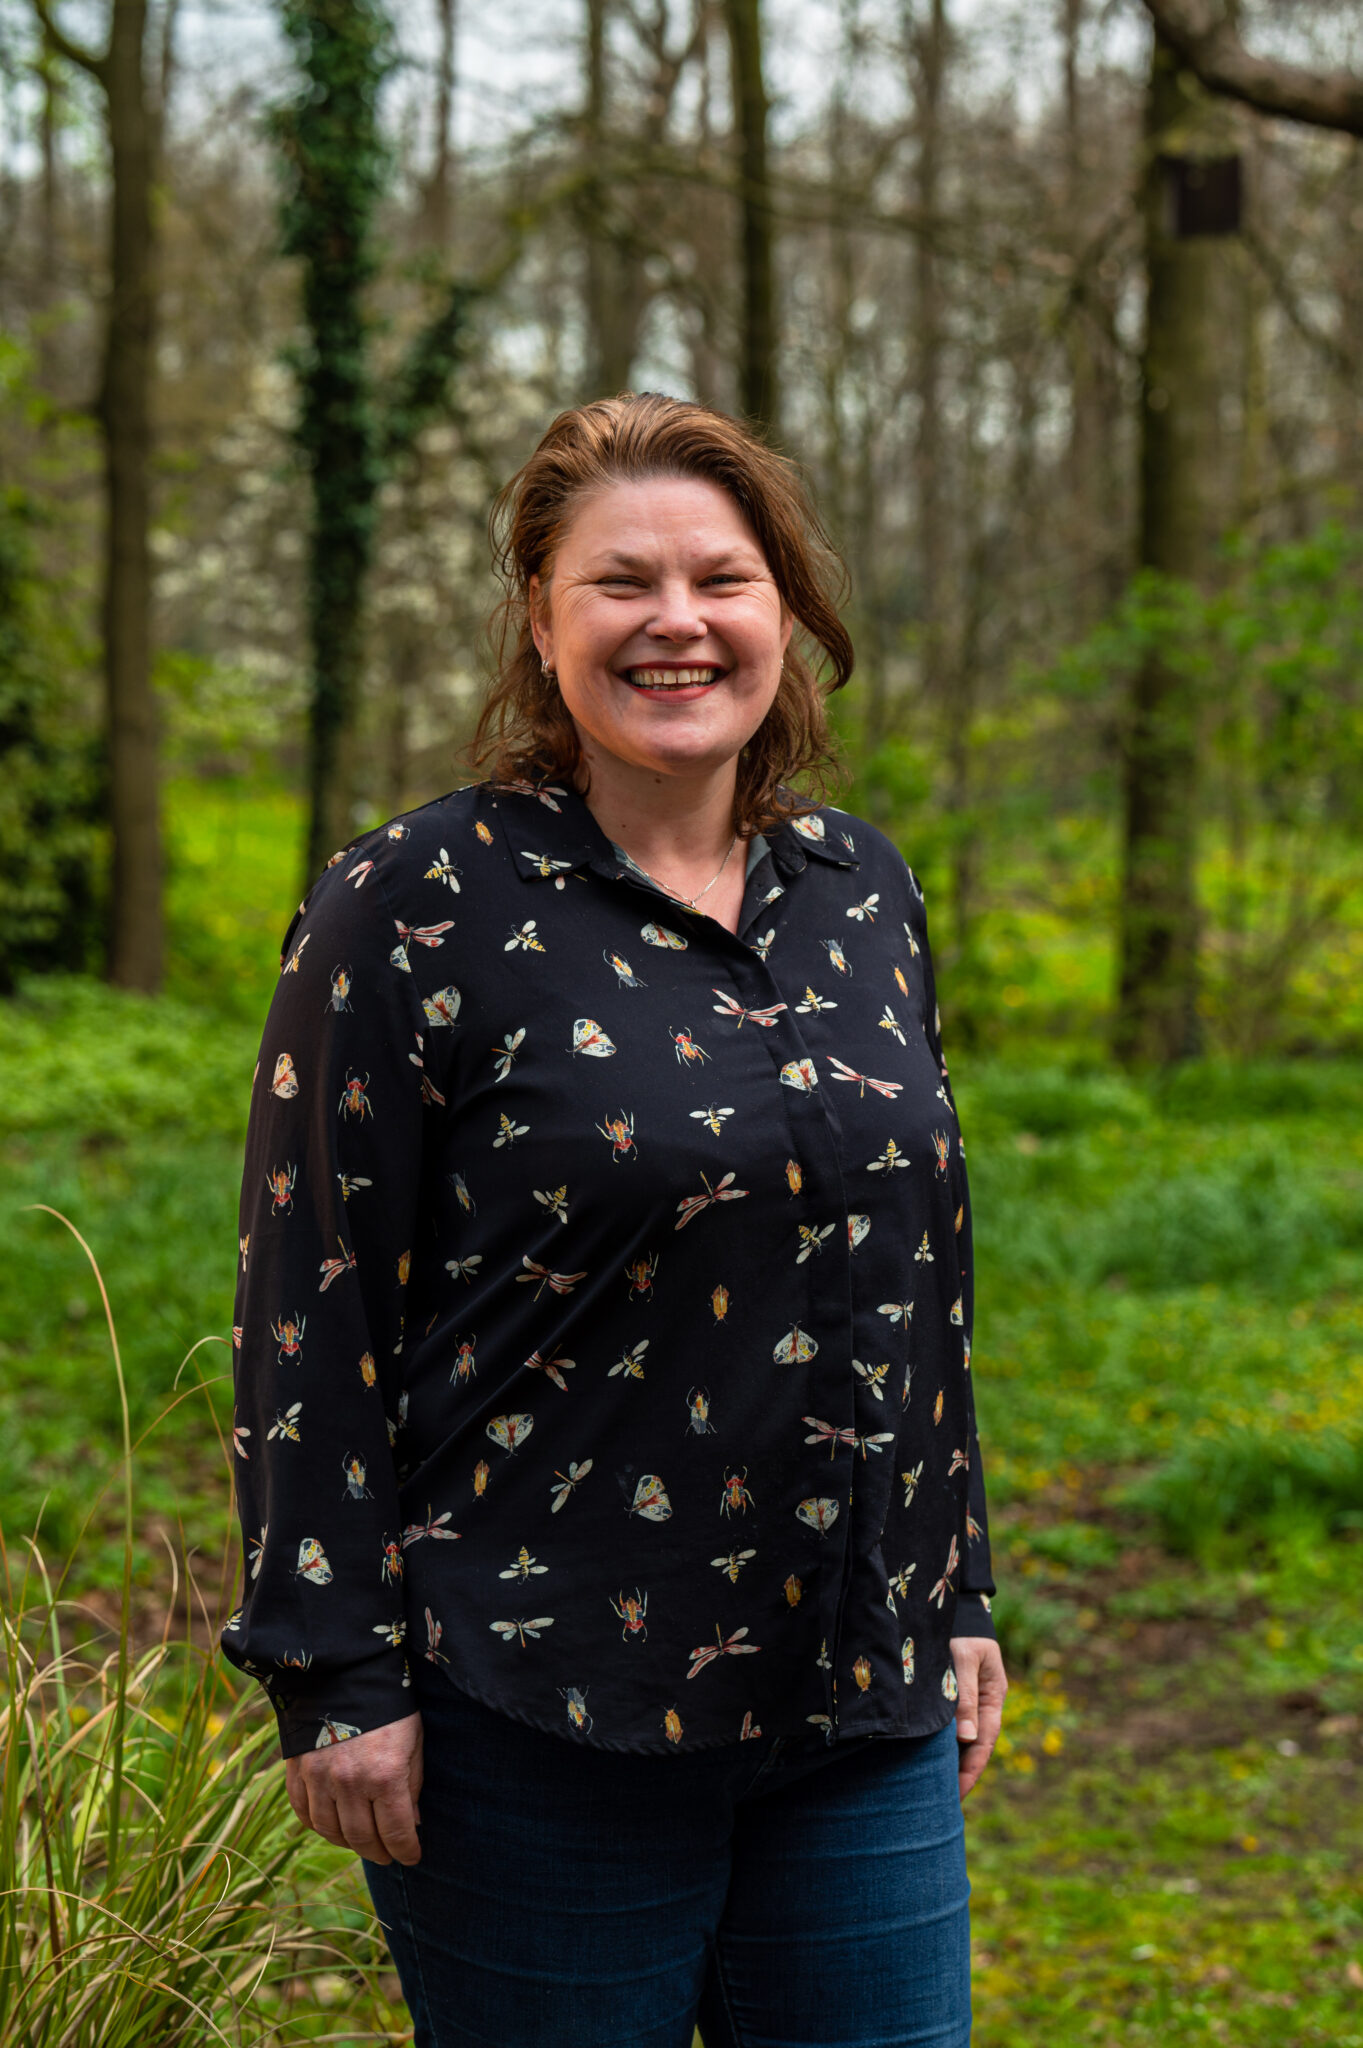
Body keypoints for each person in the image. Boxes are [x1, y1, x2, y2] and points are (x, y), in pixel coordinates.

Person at [223, 392, 1007, 2048]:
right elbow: (311, 1299)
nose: (679, 623)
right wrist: (336, 1675)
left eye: (722, 579)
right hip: (541, 1706)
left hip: (855, 1693)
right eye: (620, 583)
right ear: (539, 618)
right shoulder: (413, 907)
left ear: (782, 612)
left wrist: (962, 1592)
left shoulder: (862, 892)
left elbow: (912, 1279)